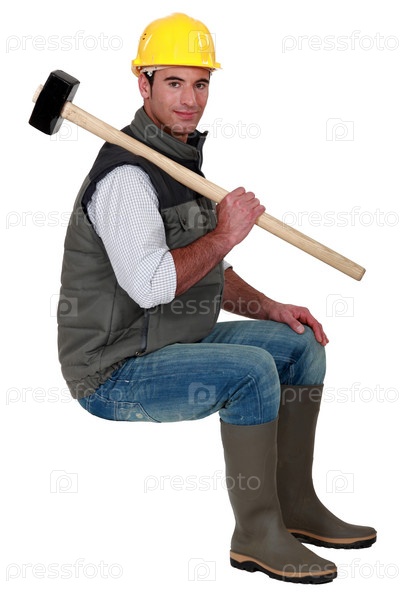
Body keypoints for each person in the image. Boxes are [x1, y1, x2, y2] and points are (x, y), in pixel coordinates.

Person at [57, 12, 376, 584]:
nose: (190, 100)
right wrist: (226, 233)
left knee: (299, 345)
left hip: (167, 339)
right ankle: (256, 534)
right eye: (174, 83)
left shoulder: (176, 160)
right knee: (252, 371)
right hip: (113, 368)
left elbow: (207, 269)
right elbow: (153, 284)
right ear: (143, 84)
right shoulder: (127, 177)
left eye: (200, 83)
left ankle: (295, 506)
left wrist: (271, 307)